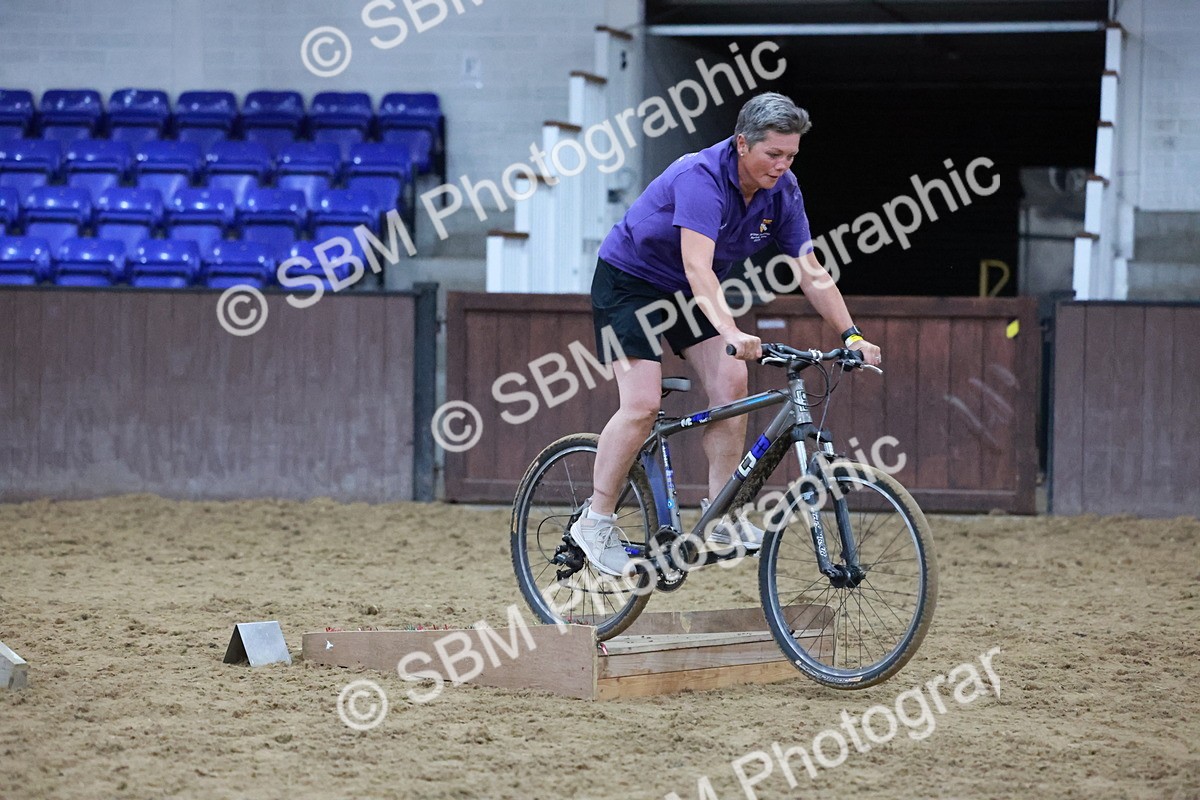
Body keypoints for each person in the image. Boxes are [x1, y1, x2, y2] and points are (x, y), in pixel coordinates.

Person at [572, 92, 882, 577]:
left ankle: (718, 518)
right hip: (629, 283)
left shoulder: (784, 190)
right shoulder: (701, 177)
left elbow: (810, 270)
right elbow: (698, 267)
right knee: (641, 403)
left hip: (686, 289)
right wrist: (731, 330)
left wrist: (852, 335)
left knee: (732, 383)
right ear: (742, 143)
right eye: (772, 154)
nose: (782, 165)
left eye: (791, 156)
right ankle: (596, 520)